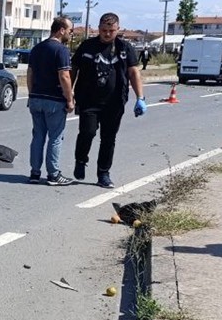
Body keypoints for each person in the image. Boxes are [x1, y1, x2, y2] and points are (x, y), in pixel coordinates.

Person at [70, 12, 146, 188]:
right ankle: (80, 161)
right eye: (103, 30)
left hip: (115, 102)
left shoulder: (125, 48)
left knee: (108, 138)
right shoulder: (87, 46)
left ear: (117, 29)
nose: (107, 34)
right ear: (99, 28)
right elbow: (74, 69)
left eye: (111, 30)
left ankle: (103, 173)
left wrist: (140, 97)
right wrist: (70, 93)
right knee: (87, 133)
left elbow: (134, 73)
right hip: (89, 100)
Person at [25, 16, 75, 186]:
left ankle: (34, 172)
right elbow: (64, 76)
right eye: (70, 30)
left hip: (36, 98)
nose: (70, 34)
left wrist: (32, 95)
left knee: (38, 135)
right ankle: (53, 174)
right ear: (61, 30)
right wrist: (69, 99)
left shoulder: (37, 48)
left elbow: (30, 73)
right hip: (54, 100)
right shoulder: (61, 50)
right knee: (55, 137)